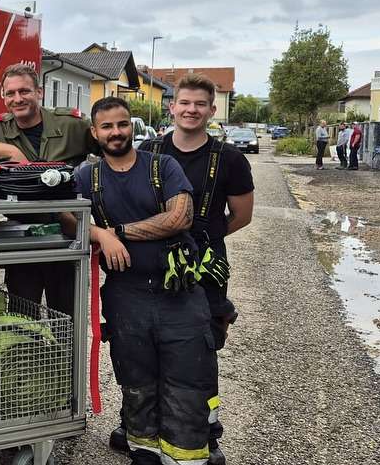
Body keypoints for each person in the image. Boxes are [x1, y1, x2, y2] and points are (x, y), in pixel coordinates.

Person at [116, 73, 254, 465]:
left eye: (200, 104)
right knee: (144, 347)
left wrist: (199, 241)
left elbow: (242, 216)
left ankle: (205, 433)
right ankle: (138, 426)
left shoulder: (229, 159)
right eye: (185, 103)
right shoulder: (147, 149)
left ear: (212, 110)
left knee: (199, 354)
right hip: (148, 266)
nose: (192, 110)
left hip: (204, 271)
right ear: (172, 107)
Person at [76, 97, 218, 465]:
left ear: (132, 128)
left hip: (179, 293)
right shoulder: (85, 177)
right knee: (135, 378)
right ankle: (143, 449)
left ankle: (187, 456)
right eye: (107, 126)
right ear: (95, 133)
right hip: (126, 295)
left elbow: (179, 219)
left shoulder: (163, 166)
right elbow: (64, 215)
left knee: (187, 380)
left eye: (122, 124)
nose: (116, 132)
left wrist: (118, 232)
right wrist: (99, 235)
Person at [0, 63, 96, 314]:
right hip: (22, 239)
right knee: (22, 317)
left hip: (64, 239)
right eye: (10, 94)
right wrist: (9, 150)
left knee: (65, 319)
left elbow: (107, 146)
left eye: (25, 91)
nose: (17, 99)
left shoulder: (71, 125)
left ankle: (63, 354)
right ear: (3, 96)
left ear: (39, 93)